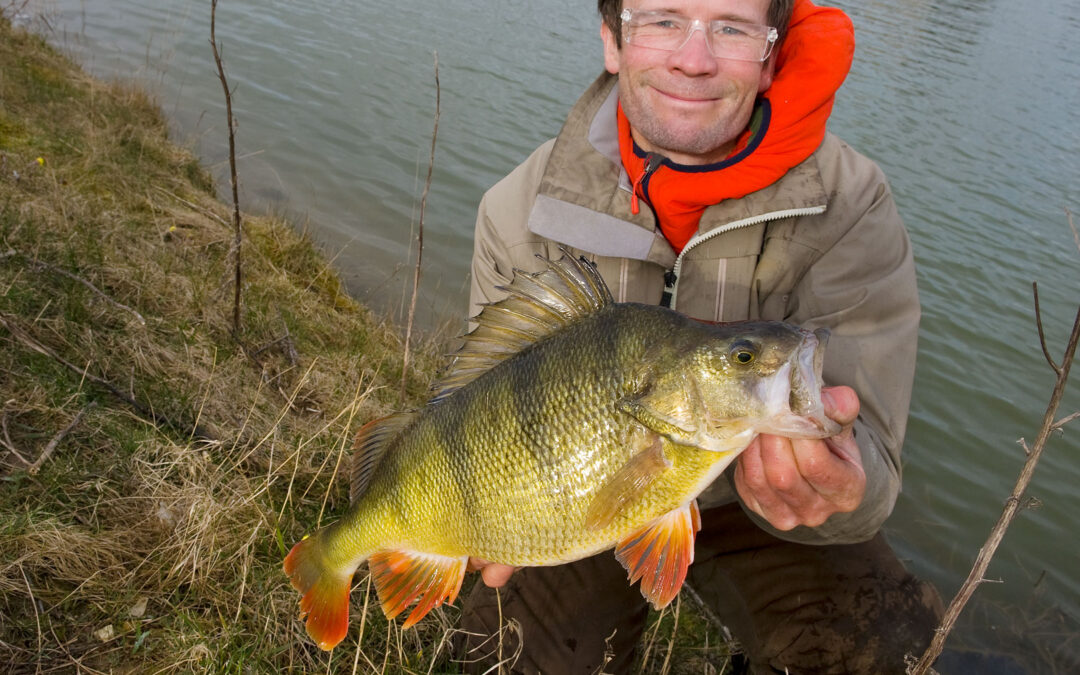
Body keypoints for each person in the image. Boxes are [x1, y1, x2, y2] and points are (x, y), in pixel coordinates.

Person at [455, 1, 944, 672]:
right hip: (579, 481)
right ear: (611, 39)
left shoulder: (850, 206)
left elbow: (876, 466)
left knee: (892, 639)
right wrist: (478, 511)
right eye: (662, 19)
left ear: (771, 55)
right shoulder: (518, 209)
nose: (694, 58)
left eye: (732, 27)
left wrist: (842, 493)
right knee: (505, 646)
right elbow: (473, 409)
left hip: (759, 505)